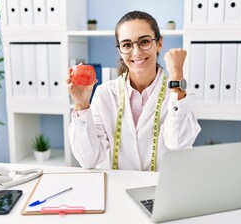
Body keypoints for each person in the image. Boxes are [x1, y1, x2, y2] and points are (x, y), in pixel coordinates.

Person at [66, 11, 201, 171]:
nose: (136, 52)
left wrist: (177, 75)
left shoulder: (179, 93)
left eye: (144, 42)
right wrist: (81, 104)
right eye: (127, 45)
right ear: (120, 50)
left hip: (161, 189)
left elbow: (178, 145)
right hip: (117, 188)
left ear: (159, 43)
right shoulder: (104, 93)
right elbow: (89, 160)